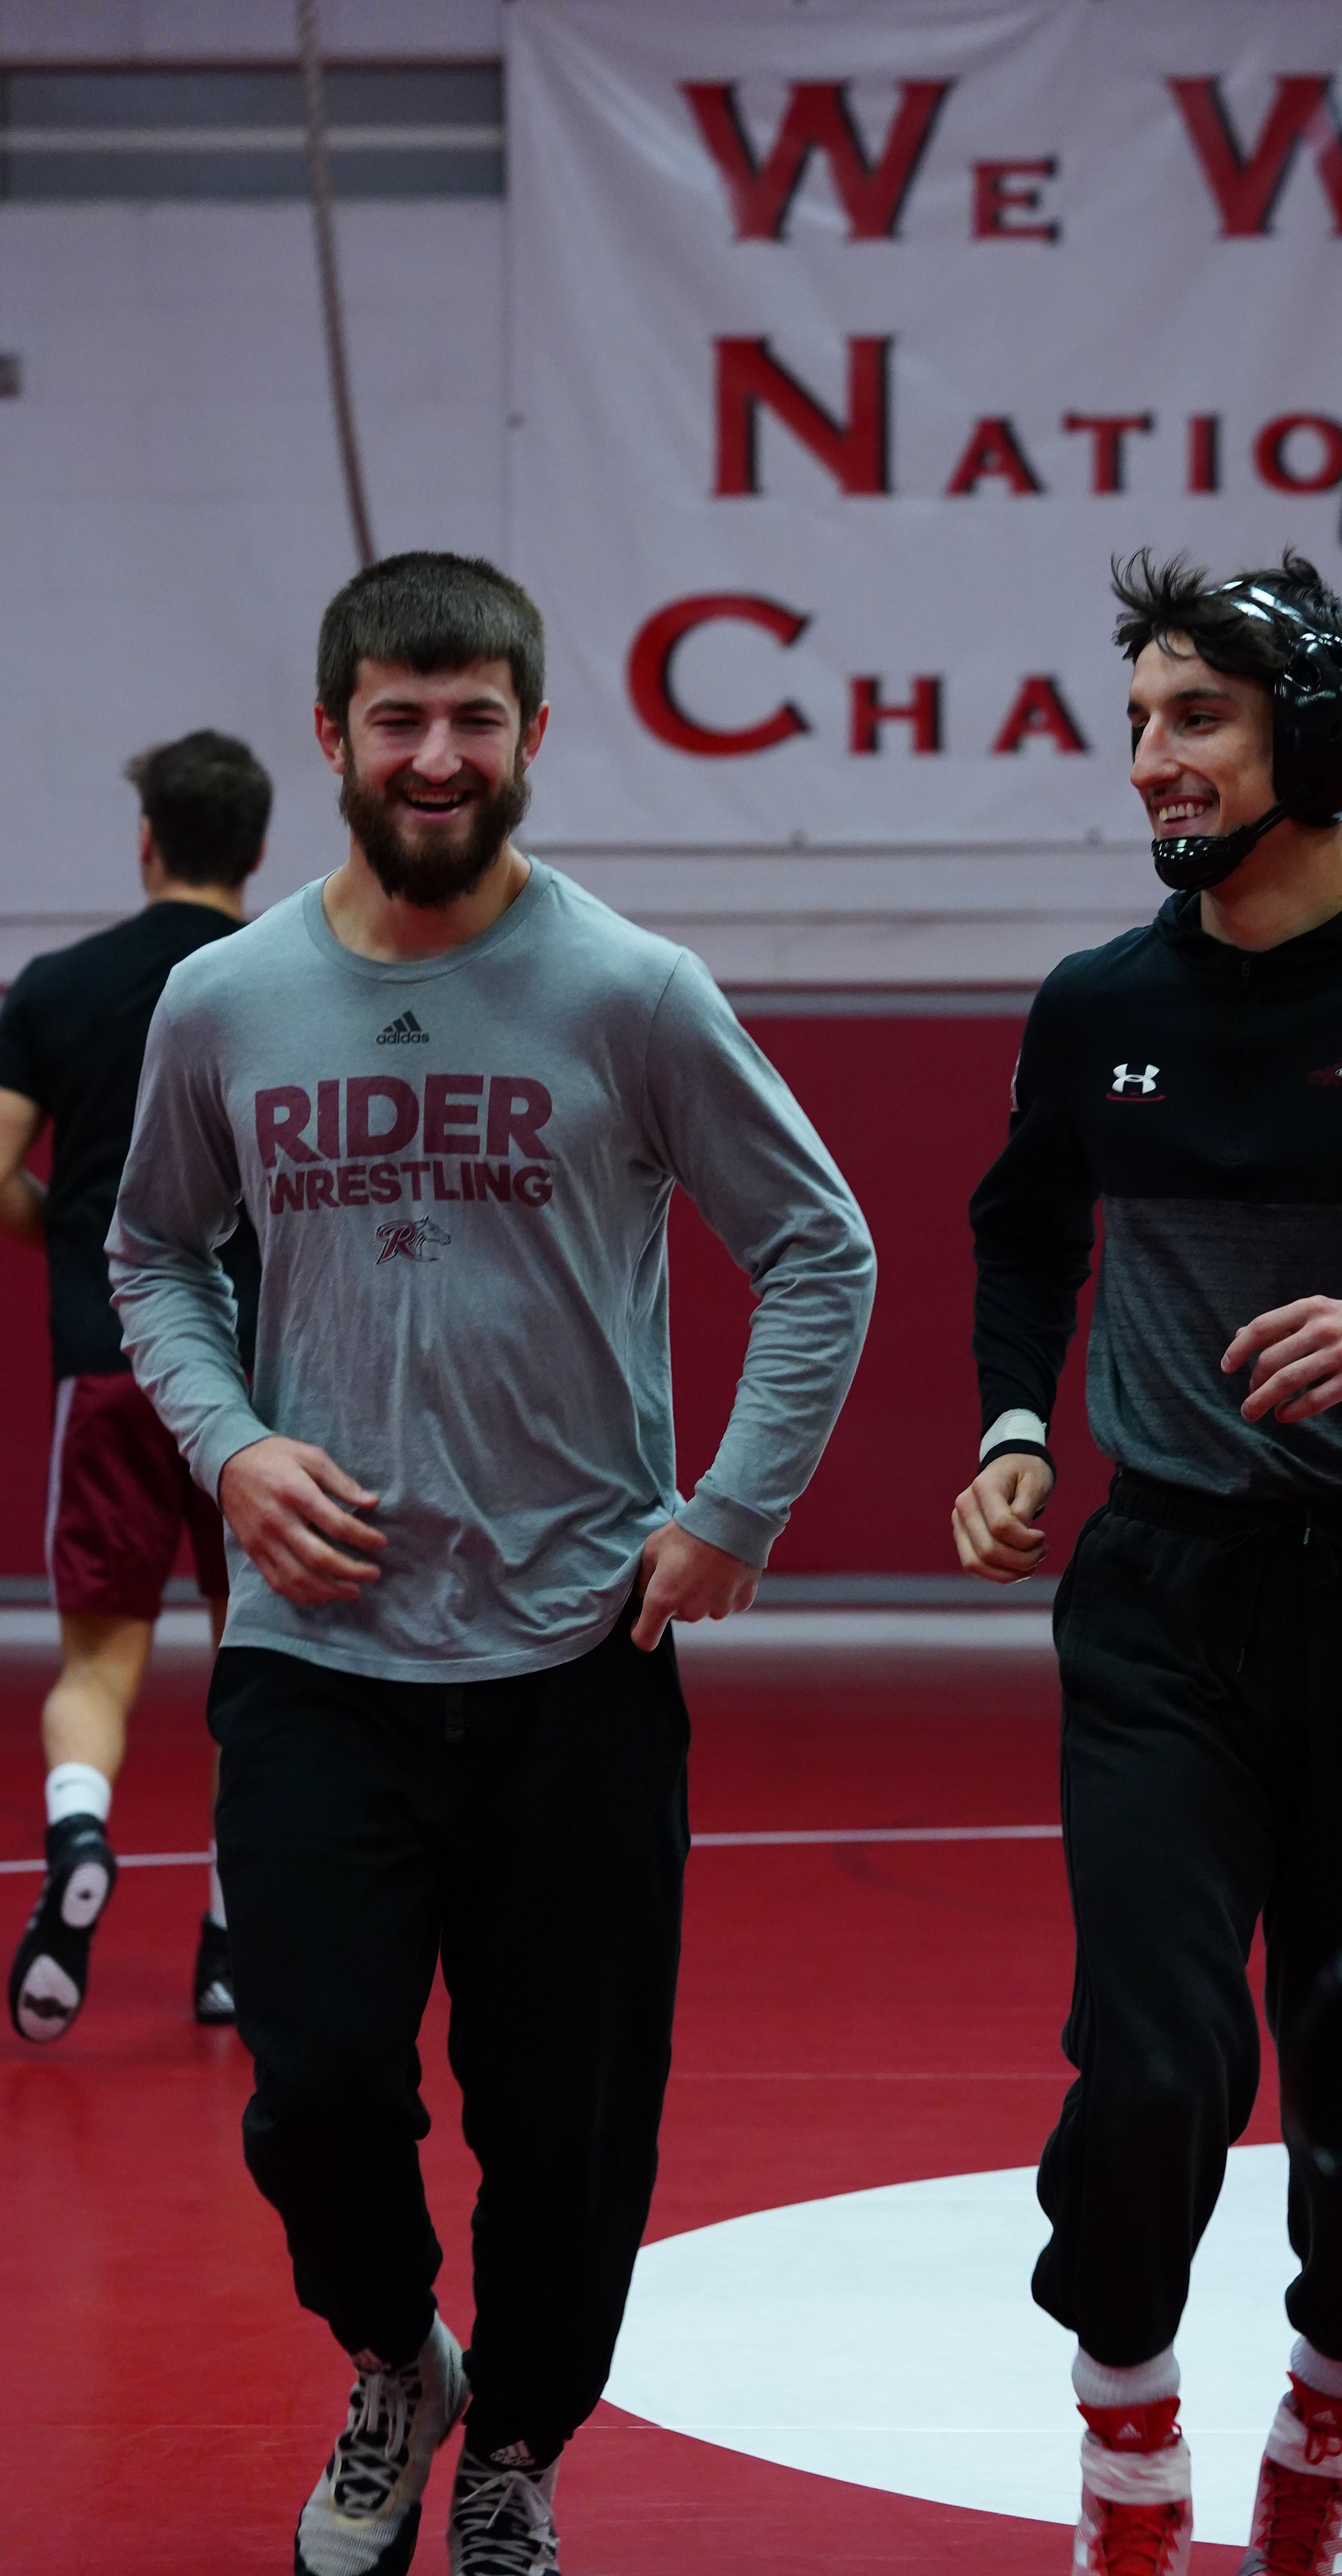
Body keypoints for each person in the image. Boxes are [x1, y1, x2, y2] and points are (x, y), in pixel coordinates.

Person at [106, 551, 875, 2576]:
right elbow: (153, 1250)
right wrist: (234, 1445)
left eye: (473, 718)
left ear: (534, 734)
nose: (434, 756)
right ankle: (398, 2361)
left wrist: (734, 1509)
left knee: (569, 2130)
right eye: (398, 718)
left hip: (573, 1664)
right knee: (315, 2094)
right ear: (333, 733)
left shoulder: (633, 990)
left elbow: (821, 1246)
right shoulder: (224, 999)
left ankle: (517, 2440)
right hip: (319, 1660)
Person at [953, 551, 1342, 2576]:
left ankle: (1335, 2417)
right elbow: (1023, 1236)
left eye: (1198, 718)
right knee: (1161, 2053)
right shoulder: (1099, 1007)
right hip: (1161, 1600)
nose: (1152, 761)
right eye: (1139, 724)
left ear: (1319, 742)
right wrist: (1016, 1428)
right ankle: (1125, 2427)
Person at [0, 729, 270, 2040]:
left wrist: (71, 1232)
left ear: (146, 840)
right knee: (258, 1667)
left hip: (111, 1363)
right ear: (256, 852)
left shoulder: (57, 988)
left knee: (98, 1663)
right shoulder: (287, 982)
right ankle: (229, 1948)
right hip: (260, 1394)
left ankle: (79, 1836)